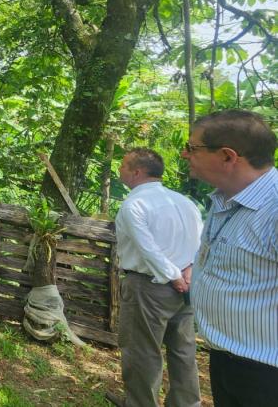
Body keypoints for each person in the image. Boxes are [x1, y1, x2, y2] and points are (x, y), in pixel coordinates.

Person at [180, 109, 278, 406]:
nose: (185, 154)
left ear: (227, 156)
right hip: (227, 358)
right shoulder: (224, 198)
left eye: (192, 147)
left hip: (265, 372)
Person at [113, 148, 202, 407]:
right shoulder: (185, 202)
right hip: (186, 288)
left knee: (142, 351)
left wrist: (174, 276)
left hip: (148, 286)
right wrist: (190, 270)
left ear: (136, 172)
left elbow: (148, 249)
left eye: (123, 165)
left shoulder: (134, 205)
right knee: (183, 350)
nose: (119, 169)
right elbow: (201, 241)